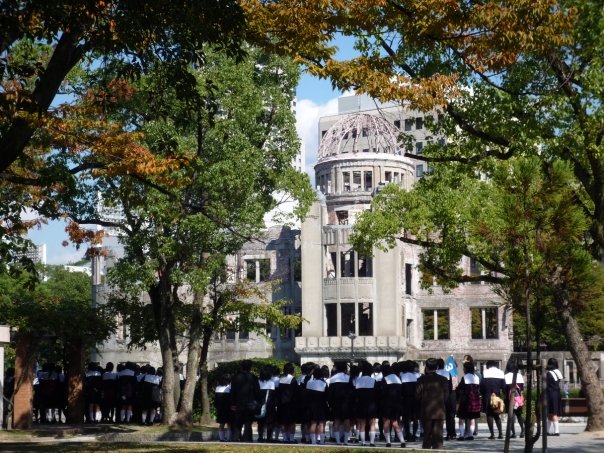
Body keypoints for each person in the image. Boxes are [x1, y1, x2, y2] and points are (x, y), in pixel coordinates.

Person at [416, 358, 448, 450]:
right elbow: (446, 396)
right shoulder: (443, 379)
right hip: (439, 410)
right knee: (438, 436)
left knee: (427, 435)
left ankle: (426, 450)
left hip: (426, 410)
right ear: (437, 367)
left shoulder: (421, 379)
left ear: (426, 367)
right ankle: (438, 450)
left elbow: (417, 396)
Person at [230, 359, 260, 442]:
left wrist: (232, 403)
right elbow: (257, 391)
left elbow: (232, 391)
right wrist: (257, 400)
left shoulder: (235, 377)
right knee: (248, 422)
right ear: (250, 367)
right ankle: (247, 438)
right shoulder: (253, 377)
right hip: (250, 402)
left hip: (238, 402)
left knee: (238, 421)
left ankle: (235, 437)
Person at [379, 362, 406, 448]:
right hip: (397, 404)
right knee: (395, 422)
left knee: (386, 422)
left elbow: (382, 393)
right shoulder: (398, 378)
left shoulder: (385, 379)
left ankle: (388, 442)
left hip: (387, 404)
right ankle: (402, 441)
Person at [326, 361, 353, 445]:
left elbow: (330, 393)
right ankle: (345, 441)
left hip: (336, 403)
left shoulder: (333, 379)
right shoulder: (348, 378)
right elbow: (352, 392)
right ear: (345, 368)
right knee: (347, 422)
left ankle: (337, 441)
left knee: (336, 421)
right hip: (346, 403)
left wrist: (330, 404)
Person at [353, 361, 378, 447]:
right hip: (371, 404)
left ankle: (363, 442)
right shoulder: (373, 381)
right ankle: (372, 442)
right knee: (372, 423)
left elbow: (355, 395)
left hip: (361, 404)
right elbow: (377, 394)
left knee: (362, 424)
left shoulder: (358, 381)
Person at [456, 361, 481, 440]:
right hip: (474, 400)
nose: (463, 369)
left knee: (461, 417)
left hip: (465, 400)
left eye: (464, 368)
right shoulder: (476, 378)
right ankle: (470, 435)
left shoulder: (465, 378)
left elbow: (460, 389)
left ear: (466, 369)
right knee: (472, 418)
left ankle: (461, 435)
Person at [481, 360, 505, 439]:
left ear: (488, 366)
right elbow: (503, 386)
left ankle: (492, 434)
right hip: (497, 396)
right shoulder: (500, 372)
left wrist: (482, 393)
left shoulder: (485, 373)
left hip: (487, 396)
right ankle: (500, 433)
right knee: (496, 415)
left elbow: (482, 385)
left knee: (489, 415)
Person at [305, 366, 330, 444]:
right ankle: (322, 441)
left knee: (313, 423)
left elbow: (306, 395)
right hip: (321, 405)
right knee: (321, 424)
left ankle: (313, 441)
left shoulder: (309, 383)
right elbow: (327, 396)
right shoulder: (324, 384)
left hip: (311, 405)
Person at [276, 362, 299, 443]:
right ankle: (291, 439)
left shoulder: (280, 379)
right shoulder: (293, 379)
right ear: (292, 370)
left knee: (283, 422)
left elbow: (277, 391)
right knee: (292, 422)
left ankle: (285, 438)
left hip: (281, 404)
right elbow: (296, 393)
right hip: (291, 404)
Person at [436, 358, 457, 440]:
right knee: (450, 416)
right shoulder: (447, 373)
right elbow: (450, 386)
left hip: (437, 397)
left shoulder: (435, 373)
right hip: (447, 396)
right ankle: (451, 433)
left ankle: (438, 433)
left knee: (438, 417)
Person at [504, 360, 525, 438]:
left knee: (511, 416)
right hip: (519, 399)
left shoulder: (505, 376)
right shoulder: (519, 376)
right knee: (519, 415)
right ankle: (522, 430)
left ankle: (513, 433)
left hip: (509, 399)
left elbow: (504, 389)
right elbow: (522, 389)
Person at [257, 366, 276, 442]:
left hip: (260, 404)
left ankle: (260, 437)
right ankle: (269, 437)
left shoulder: (258, 382)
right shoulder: (271, 383)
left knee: (260, 422)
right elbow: (273, 395)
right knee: (270, 422)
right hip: (269, 404)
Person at [546, 358, 563, 436]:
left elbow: (547, 384)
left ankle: (556, 431)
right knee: (551, 413)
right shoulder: (558, 372)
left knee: (553, 413)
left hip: (551, 393)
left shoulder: (549, 373)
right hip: (557, 393)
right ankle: (547, 431)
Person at [214, 373, 232, 442]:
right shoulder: (229, 388)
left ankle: (221, 438)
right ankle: (228, 438)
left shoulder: (217, 388)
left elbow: (216, 400)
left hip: (220, 409)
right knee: (229, 423)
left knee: (221, 424)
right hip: (228, 408)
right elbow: (231, 399)